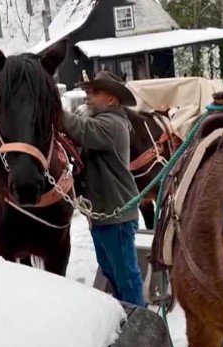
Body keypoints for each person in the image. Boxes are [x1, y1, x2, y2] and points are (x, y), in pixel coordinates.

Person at [62, 71, 145, 307]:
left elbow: (81, 130)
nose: (88, 94)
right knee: (113, 275)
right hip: (104, 215)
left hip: (115, 216)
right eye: (88, 90)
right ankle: (127, 318)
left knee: (127, 279)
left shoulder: (113, 124)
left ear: (111, 99)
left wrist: (52, 109)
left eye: (95, 91)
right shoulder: (102, 121)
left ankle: (141, 329)